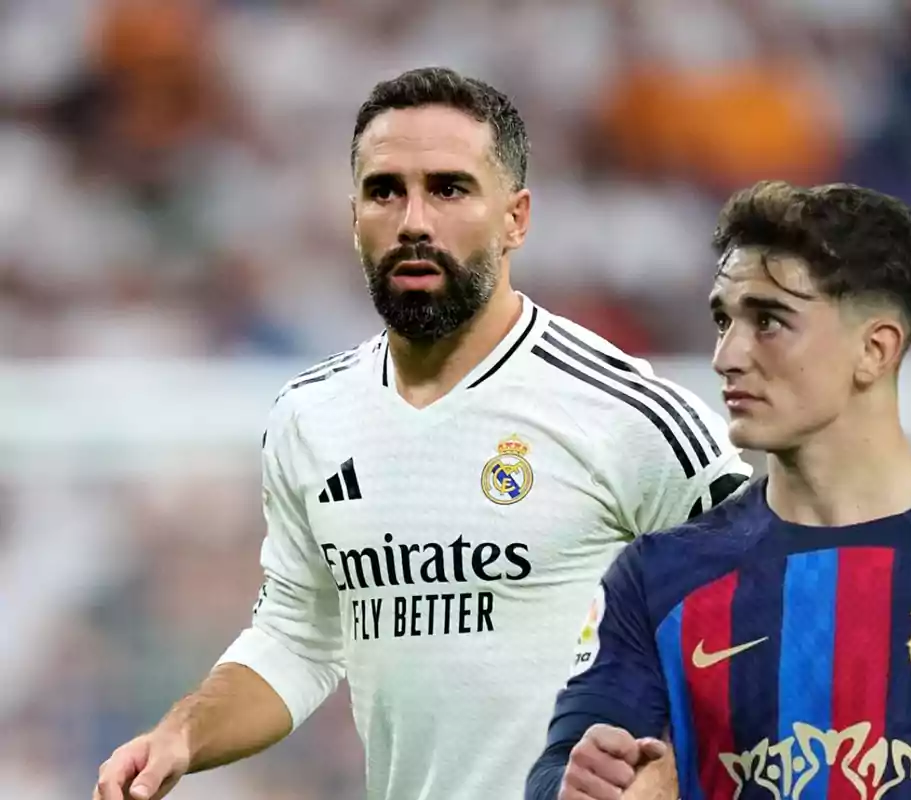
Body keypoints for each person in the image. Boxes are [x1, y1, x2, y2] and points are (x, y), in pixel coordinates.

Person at [94, 67, 751, 800]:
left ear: (516, 218)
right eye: (385, 190)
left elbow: (776, 624)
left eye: (448, 188)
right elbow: (298, 640)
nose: (412, 219)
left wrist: (674, 770)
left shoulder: (628, 414)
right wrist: (182, 734)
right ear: (353, 218)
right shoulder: (312, 418)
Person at [525, 181, 911, 800]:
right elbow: (565, 767)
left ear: (875, 350)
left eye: (769, 321)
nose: (726, 354)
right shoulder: (658, 577)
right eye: (724, 319)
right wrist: (578, 788)